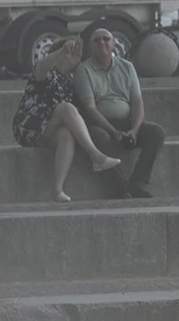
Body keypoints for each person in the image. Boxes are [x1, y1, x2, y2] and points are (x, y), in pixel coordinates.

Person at [12, 38, 121, 202]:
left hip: (48, 130)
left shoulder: (69, 81)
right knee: (66, 108)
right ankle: (95, 155)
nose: (79, 60)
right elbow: (40, 68)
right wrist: (60, 52)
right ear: (64, 56)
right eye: (76, 55)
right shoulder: (48, 73)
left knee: (66, 135)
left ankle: (57, 190)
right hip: (29, 126)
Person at [74, 28, 165, 199]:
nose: (102, 43)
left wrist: (135, 130)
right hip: (99, 123)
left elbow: (137, 102)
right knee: (100, 137)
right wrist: (114, 132)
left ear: (114, 44)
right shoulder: (83, 70)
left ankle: (138, 182)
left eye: (106, 39)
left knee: (157, 133)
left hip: (126, 122)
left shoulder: (127, 67)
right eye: (97, 40)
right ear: (90, 47)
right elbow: (90, 108)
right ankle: (120, 188)